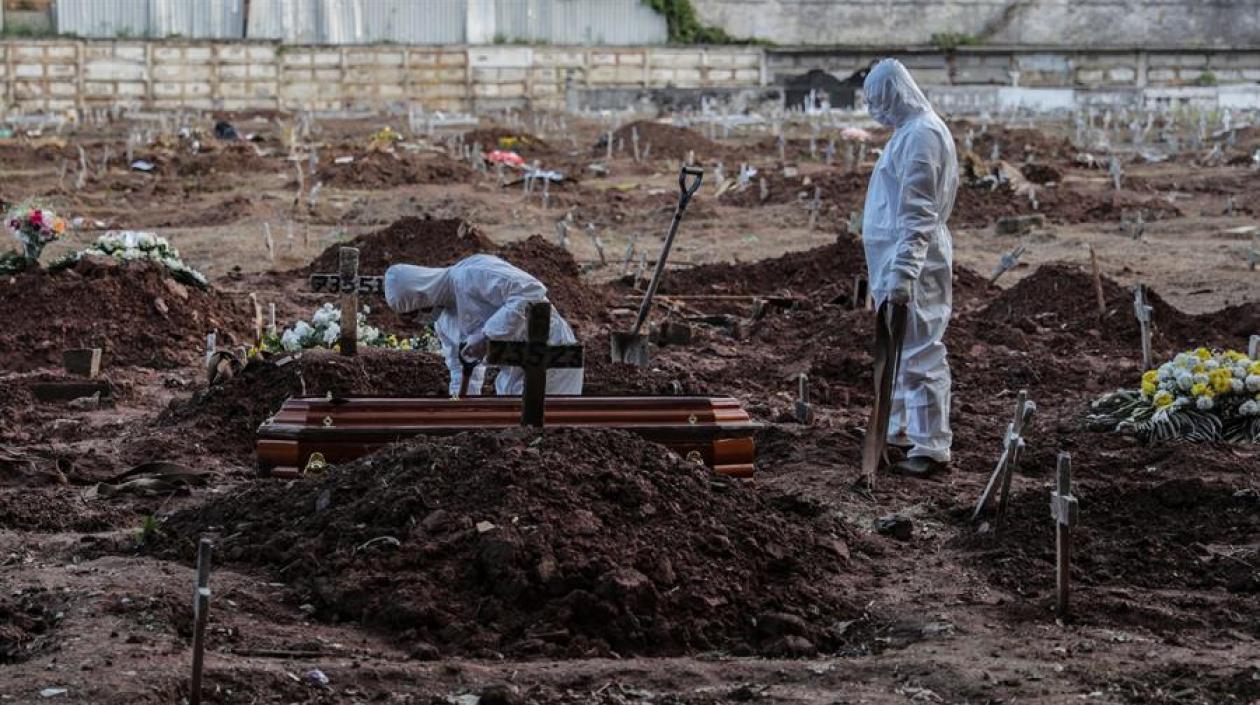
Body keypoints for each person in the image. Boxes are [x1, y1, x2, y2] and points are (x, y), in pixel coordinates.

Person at [860, 58, 959, 478]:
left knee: (919, 353)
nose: (874, 111)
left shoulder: (922, 136)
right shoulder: (910, 132)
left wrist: (903, 272)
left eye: (878, 100)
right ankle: (900, 431)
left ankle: (931, 446)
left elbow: (918, 214)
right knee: (901, 352)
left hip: (913, 264)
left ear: (894, 94)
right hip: (896, 261)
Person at [383, 254, 584, 397]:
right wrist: (462, 406)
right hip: (514, 369)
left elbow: (531, 291)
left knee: (548, 428)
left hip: (552, 355)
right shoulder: (445, 322)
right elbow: (460, 366)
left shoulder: (472, 274)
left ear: (423, 298)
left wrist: (487, 335)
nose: (419, 320)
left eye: (414, 314)